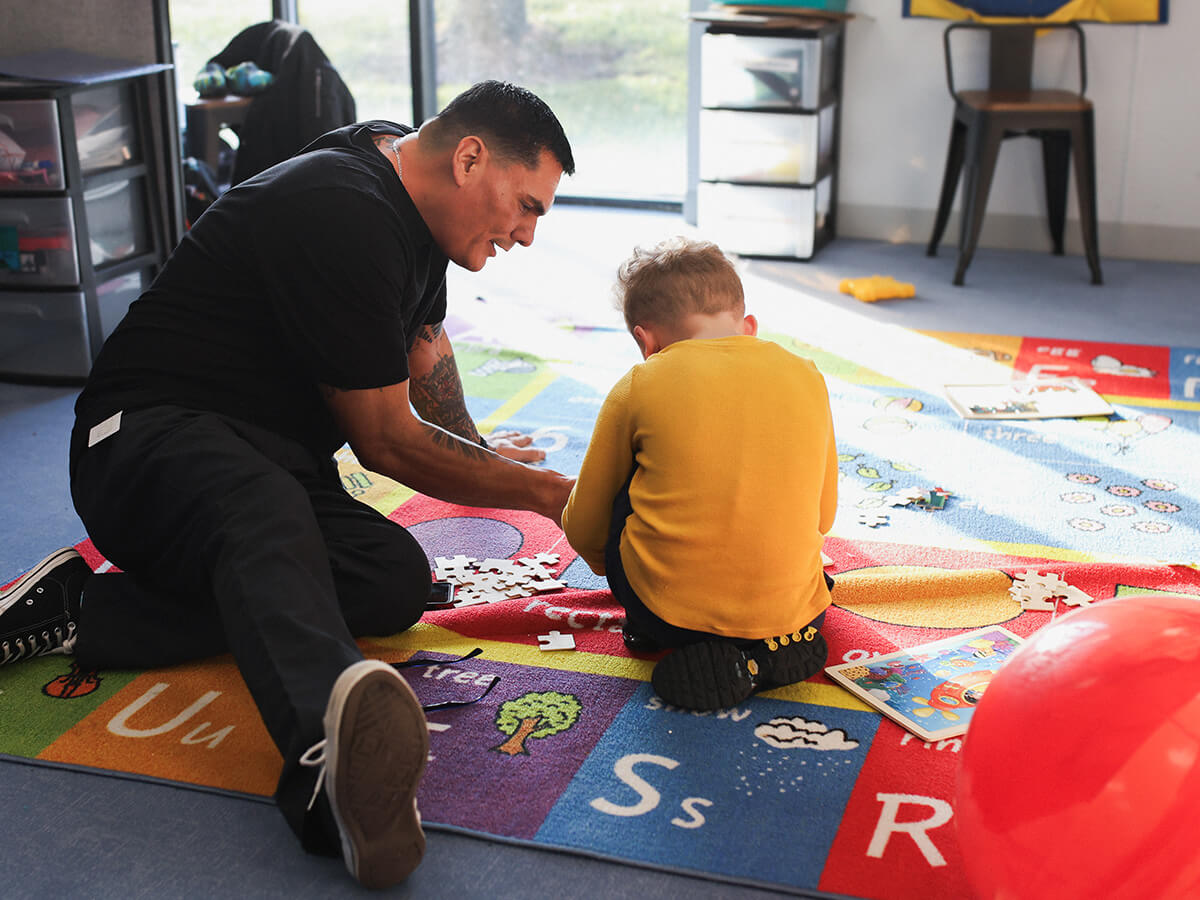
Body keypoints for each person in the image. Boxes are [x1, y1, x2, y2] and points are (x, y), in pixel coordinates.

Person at [0, 80, 575, 889]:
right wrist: (551, 494)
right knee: (263, 510)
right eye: (528, 206)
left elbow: (424, 349)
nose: (524, 234)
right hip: (143, 442)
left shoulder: (407, 192)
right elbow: (384, 442)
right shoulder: (342, 211)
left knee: (390, 580)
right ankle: (329, 765)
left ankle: (86, 610)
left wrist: (494, 460)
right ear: (471, 158)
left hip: (261, 461)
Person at [561, 237, 838, 713]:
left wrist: (616, 573)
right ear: (747, 326)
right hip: (792, 602)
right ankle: (772, 644)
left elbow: (584, 521)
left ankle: (669, 637)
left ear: (645, 341)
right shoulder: (807, 373)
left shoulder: (640, 383)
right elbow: (824, 515)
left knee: (627, 485)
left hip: (670, 614)